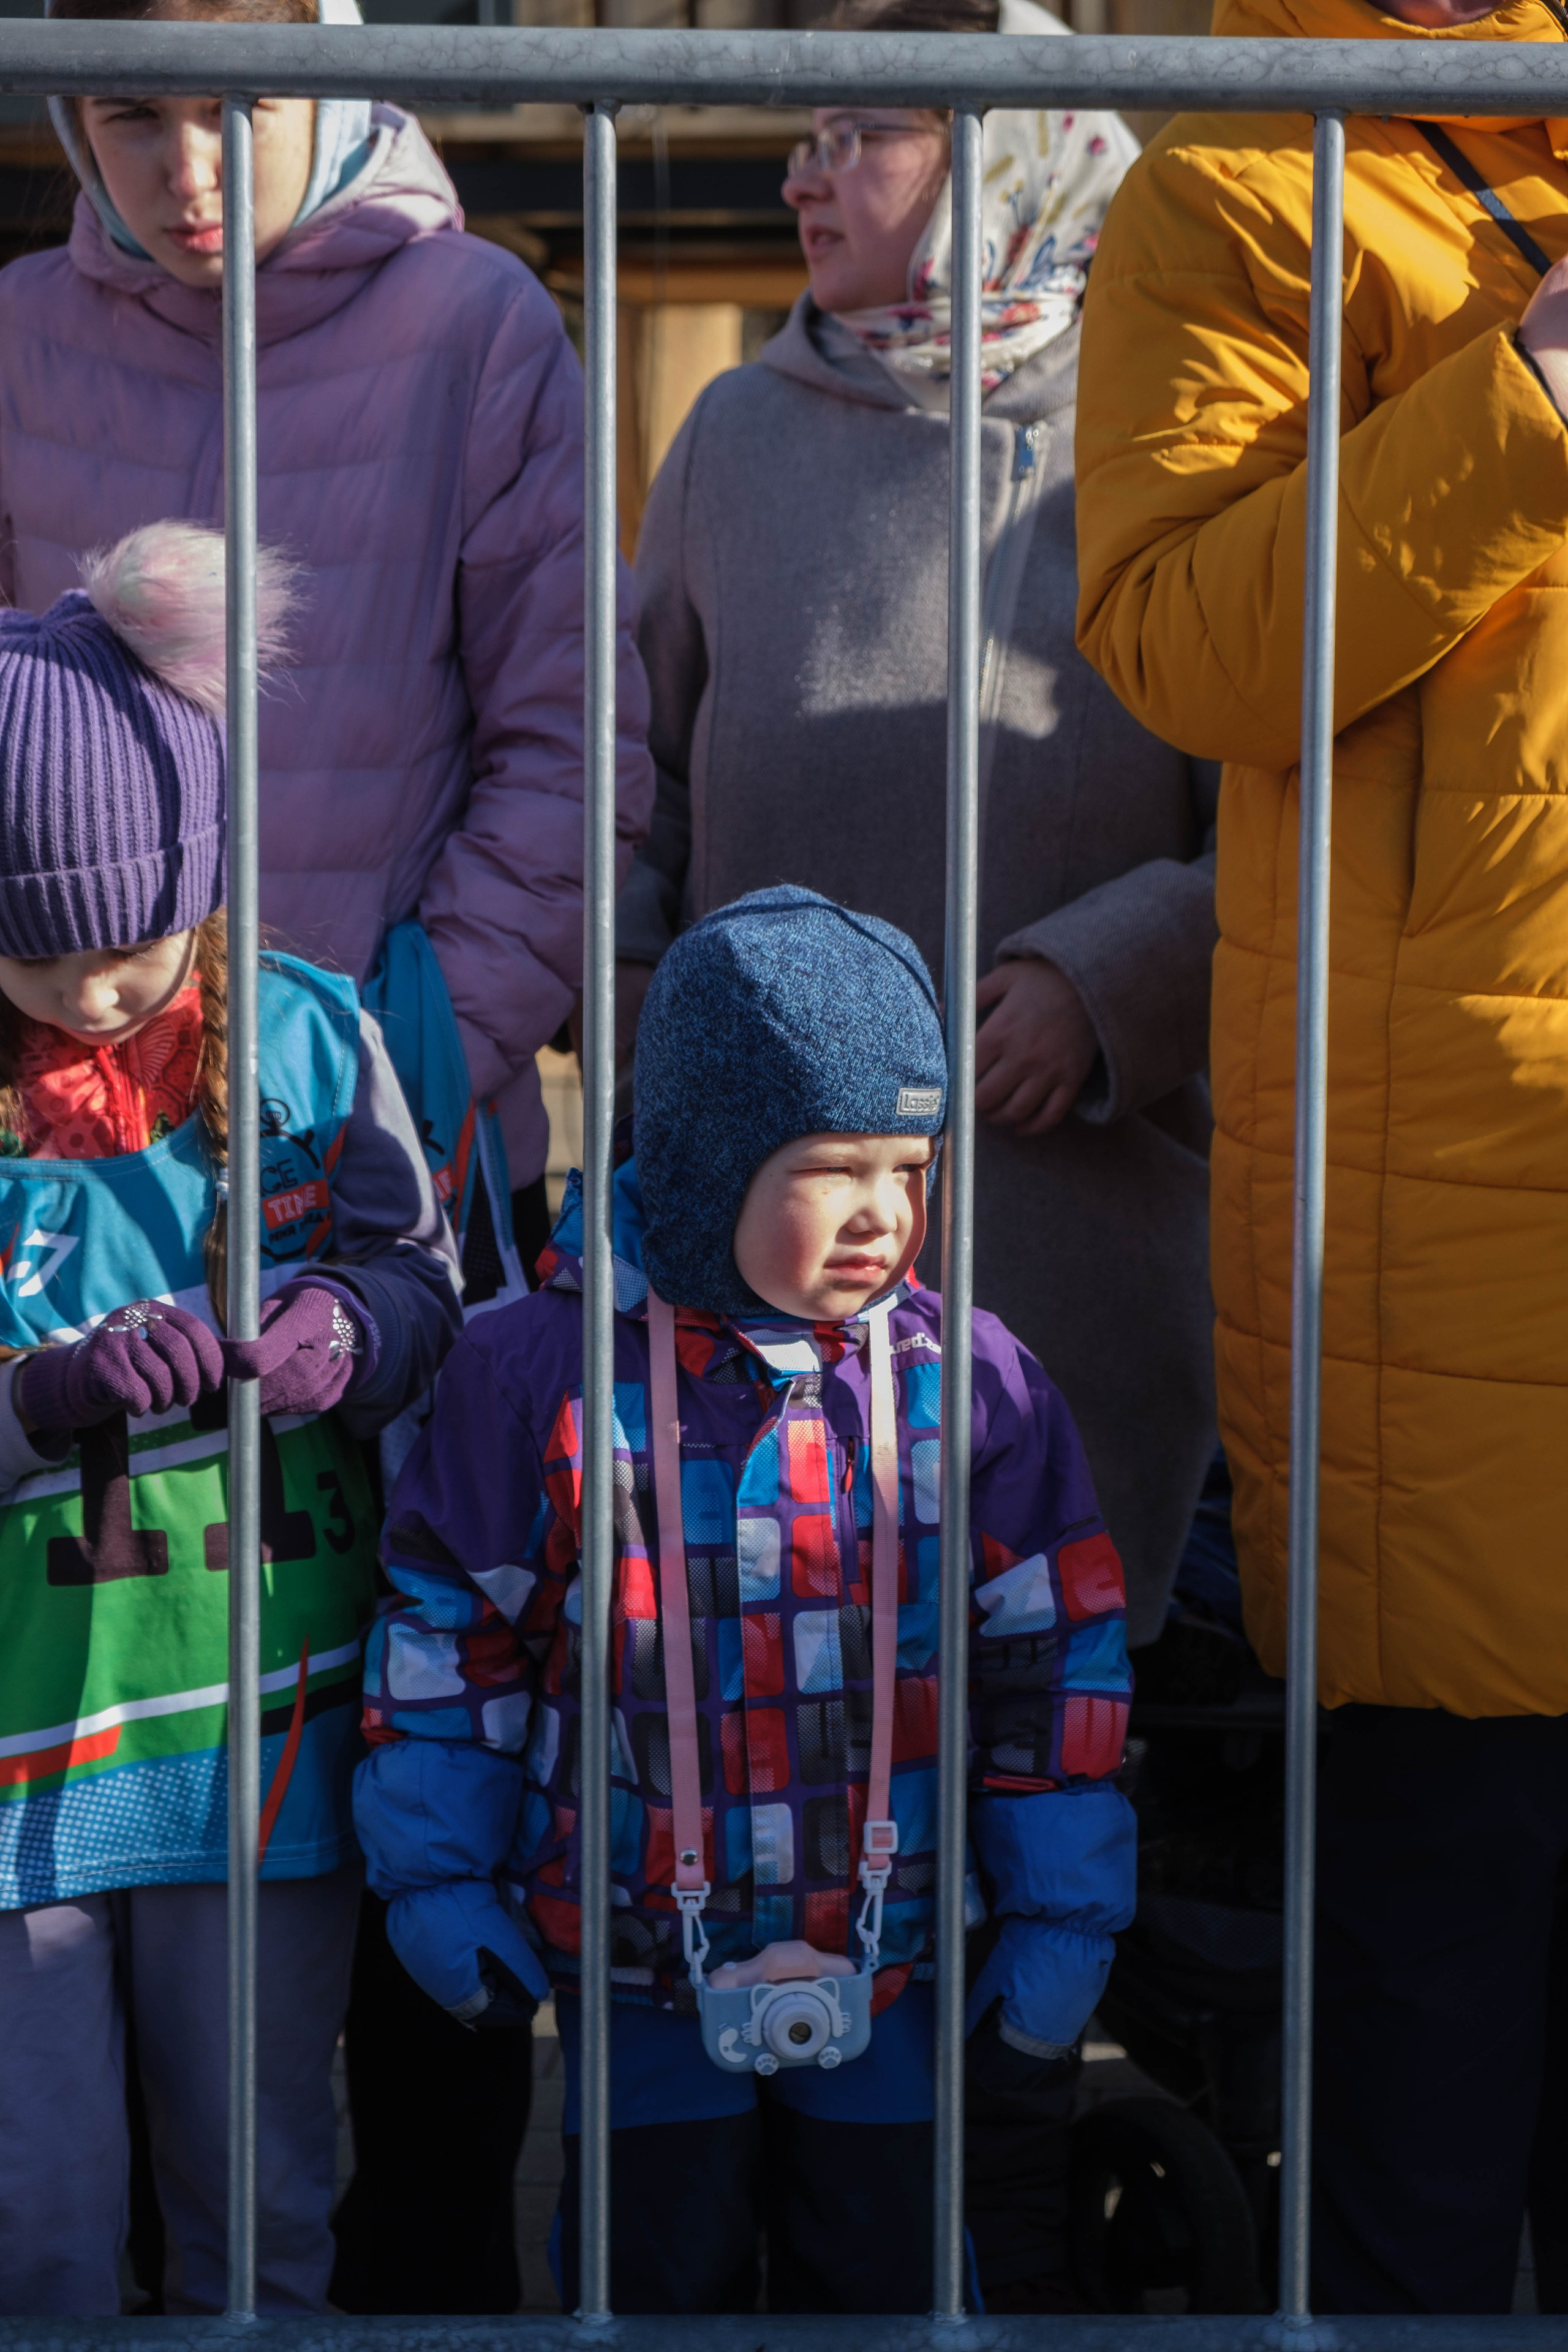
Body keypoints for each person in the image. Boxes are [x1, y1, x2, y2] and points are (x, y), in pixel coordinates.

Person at [4, 0, 655, 2304]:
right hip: (53, 1157)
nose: (187, 165)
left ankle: (408, 2286)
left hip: (376, 1147)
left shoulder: (482, 326)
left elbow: (567, 749)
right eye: (131, 110)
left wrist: (395, 1053)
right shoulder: (17, 334)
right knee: (95, 1760)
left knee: (407, 1729)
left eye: (236, 105)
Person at [1073, 0, 1568, 2313]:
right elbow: (1183, 642)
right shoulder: (1236, 181)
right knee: (1423, 2150)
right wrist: (1530, 390)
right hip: (1431, 1288)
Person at [352, 886, 1137, 2317]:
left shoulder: (971, 1380)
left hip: (892, 1954)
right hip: (641, 1963)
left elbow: (1053, 1658)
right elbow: (451, 1641)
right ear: (706, 1166)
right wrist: (439, 1880)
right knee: (654, 2280)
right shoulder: (537, 1373)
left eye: (908, 1166)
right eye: (831, 1168)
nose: (881, 1213)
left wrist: (1058, 1914)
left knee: (888, 2279)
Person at [621, 0, 1219, 1675]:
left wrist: (1110, 984)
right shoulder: (732, 433)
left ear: (1006, 156)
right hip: (758, 1232)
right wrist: (655, 1013)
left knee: (1043, 1707)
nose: (802, 179)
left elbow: (1282, 821)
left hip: (1071, 1204)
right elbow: (637, 781)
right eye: (802, 135)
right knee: (781, 1700)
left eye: (860, 136)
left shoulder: (1170, 431)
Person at [0, 521, 462, 2318]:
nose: (90, 999)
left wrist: (348, 1327)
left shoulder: (308, 1038)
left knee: (257, 2192)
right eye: (33, 962)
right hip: (30, 1739)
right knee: (38, 2215)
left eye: (127, 951)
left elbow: (422, 1278)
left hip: (262, 1724)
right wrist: (45, 1392)